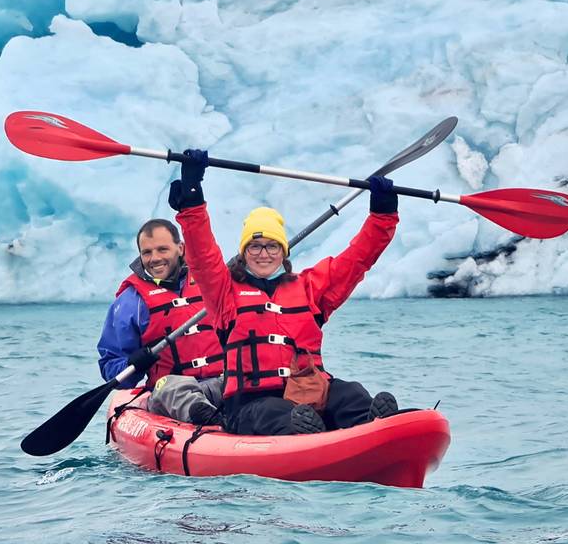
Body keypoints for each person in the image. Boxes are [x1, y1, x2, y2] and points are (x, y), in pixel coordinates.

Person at [169, 149, 401, 436]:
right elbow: (202, 256)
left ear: (283, 251)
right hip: (249, 406)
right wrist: (192, 195)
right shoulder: (225, 293)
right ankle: (307, 432)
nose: (263, 254)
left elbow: (357, 260)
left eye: (272, 246)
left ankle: (372, 425)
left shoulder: (310, 288)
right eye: (255, 246)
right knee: (279, 414)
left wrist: (383, 215)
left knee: (350, 394)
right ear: (244, 253)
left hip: (310, 392)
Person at [97, 218, 224, 425]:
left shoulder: (210, 282)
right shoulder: (130, 302)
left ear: (180, 248)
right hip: (171, 392)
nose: (154, 258)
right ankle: (210, 419)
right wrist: (133, 364)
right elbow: (110, 366)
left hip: (222, 381)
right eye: (147, 252)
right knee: (169, 387)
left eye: (162, 249)